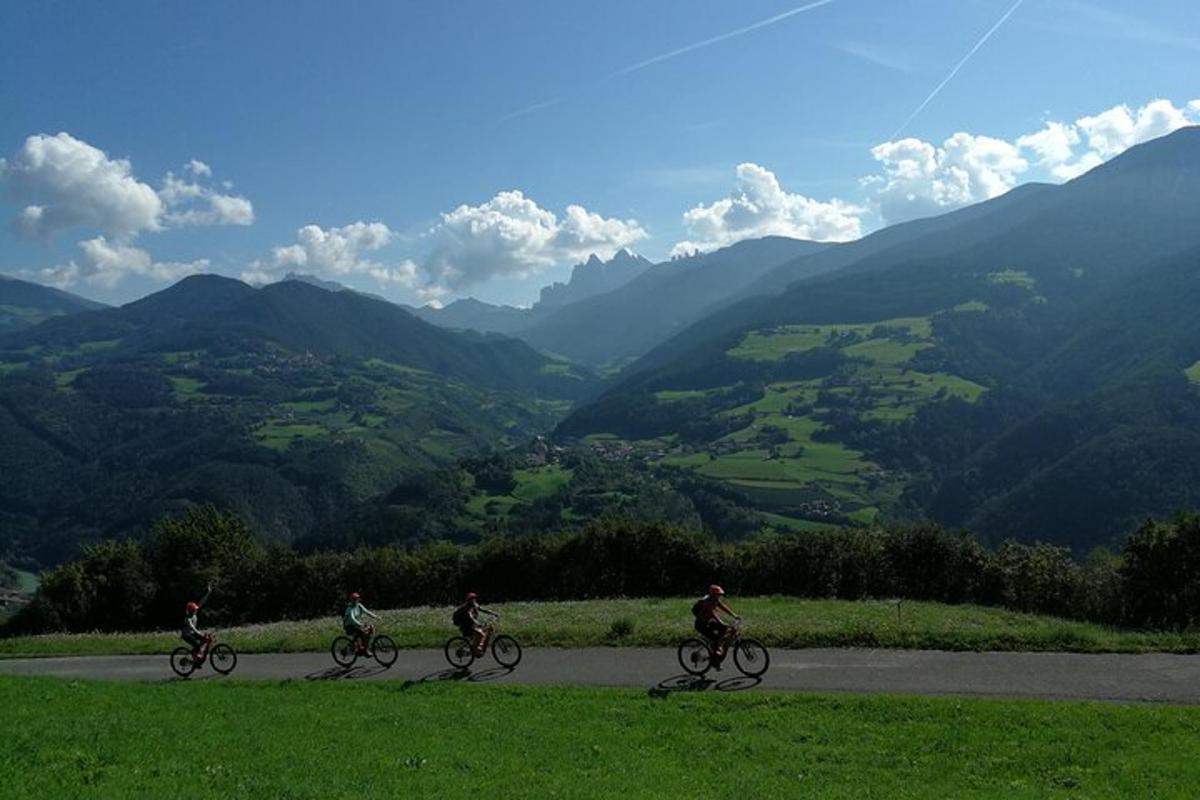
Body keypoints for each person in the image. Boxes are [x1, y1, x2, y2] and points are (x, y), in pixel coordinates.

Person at [692, 584, 740, 669]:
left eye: (720, 594)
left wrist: (734, 615)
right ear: (712, 594)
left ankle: (718, 647)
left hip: (708, 622)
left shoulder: (715, 600)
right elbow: (713, 614)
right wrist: (721, 622)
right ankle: (715, 661)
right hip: (701, 625)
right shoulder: (707, 602)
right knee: (715, 638)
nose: (720, 596)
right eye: (718, 594)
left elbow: (723, 607)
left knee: (723, 629)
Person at [452, 592, 499, 657]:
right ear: (468, 600)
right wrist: (477, 623)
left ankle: (478, 648)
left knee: (485, 630)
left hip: (471, 624)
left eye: (474, 598)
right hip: (466, 626)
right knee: (480, 634)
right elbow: (470, 616)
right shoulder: (467, 608)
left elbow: (483, 610)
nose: (473, 600)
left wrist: (493, 613)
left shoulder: (475, 605)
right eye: (471, 599)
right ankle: (475, 650)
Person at [181, 583, 213, 660]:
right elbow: (192, 627)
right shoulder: (188, 618)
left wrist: (208, 593)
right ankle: (195, 659)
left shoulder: (194, 612)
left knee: (205, 640)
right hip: (187, 635)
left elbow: (202, 602)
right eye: (194, 609)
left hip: (193, 633)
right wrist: (199, 633)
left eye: (195, 609)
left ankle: (198, 654)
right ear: (190, 610)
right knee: (197, 645)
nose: (196, 610)